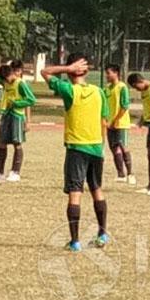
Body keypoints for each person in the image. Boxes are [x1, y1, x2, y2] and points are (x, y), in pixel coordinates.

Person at [41, 53, 111, 252]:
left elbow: (44, 72)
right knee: (97, 189)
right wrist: (101, 147)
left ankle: (75, 241)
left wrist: (66, 68)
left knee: (75, 193)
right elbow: (103, 121)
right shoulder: (99, 92)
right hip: (96, 147)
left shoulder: (69, 90)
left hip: (76, 148)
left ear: (73, 69)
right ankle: (102, 233)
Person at [0, 62, 36, 182]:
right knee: (1, 143)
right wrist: (3, 65)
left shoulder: (20, 83)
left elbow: (31, 100)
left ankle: (15, 171)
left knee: (17, 142)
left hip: (17, 115)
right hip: (6, 114)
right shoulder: (5, 81)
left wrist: (17, 104)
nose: (8, 81)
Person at [104, 64, 135, 185]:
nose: (107, 75)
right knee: (114, 149)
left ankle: (131, 174)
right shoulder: (107, 89)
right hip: (109, 123)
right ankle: (120, 174)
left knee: (123, 146)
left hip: (121, 123)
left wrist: (115, 120)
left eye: (109, 73)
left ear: (116, 73)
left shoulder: (122, 87)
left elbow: (124, 106)